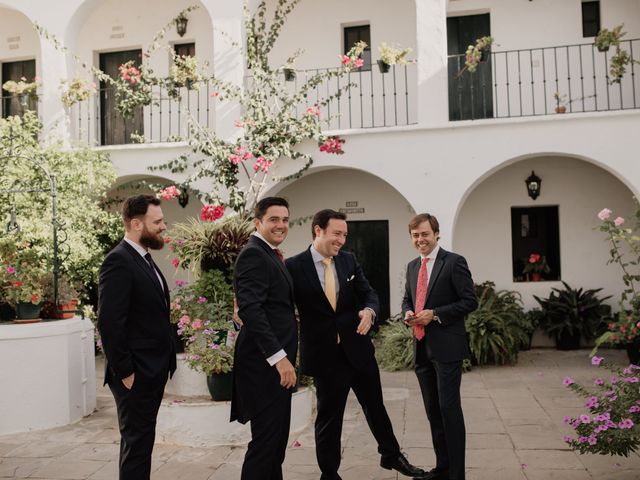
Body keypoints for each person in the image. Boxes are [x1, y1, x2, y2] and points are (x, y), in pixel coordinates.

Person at [285, 209, 426, 480]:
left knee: (375, 407)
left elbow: (369, 293)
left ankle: (392, 456)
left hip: (358, 349)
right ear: (318, 230)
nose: (341, 240)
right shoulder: (293, 267)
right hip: (326, 355)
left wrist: (370, 311)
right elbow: (281, 306)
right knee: (329, 418)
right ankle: (329, 473)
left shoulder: (348, 261)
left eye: (345, 235)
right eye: (336, 234)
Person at [97, 194, 177, 480]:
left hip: (151, 369)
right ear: (135, 223)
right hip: (135, 373)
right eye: (157, 222)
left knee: (142, 444)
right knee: (137, 445)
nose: (163, 226)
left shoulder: (143, 258)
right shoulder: (118, 261)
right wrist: (126, 371)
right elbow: (109, 322)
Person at [402, 213, 478, 480]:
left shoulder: (454, 262)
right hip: (421, 348)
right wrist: (408, 313)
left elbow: (470, 301)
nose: (420, 239)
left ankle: (457, 474)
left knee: (449, 409)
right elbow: (407, 300)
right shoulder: (413, 266)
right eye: (415, 235)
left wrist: (434, 314)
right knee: (433, 410)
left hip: (447, 348)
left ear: (436, 234)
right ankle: (443, 468)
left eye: (424, 234)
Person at [231, 196, 298, 480]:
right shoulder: (254, 254)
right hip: (264, 367)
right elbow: (252, 310)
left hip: (273, 367)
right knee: (265, 446)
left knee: (275, 446)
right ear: (258, 222)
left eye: (285, 219)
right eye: (273, 219)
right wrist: (280, 358)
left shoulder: (270, 253)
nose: (281, 225)